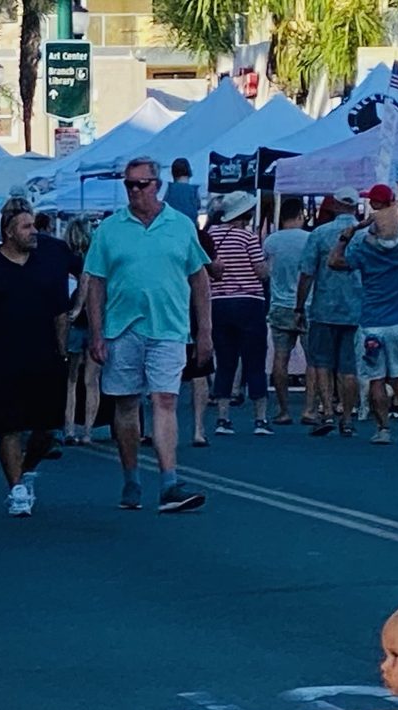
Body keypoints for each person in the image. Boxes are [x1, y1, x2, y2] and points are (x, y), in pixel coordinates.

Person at [84, 155, 212, 514]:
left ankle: (170, 481)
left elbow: (199, 278)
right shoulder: (110, 229)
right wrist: (96, 333)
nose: (135, 191)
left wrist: (205, 331)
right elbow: (96, 282)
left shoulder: (180, 225)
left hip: (170, 327)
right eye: (129, 185)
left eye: (141, 184)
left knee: (165, 399)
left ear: (157, 185)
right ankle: (131, 476)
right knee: (126, 405)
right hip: (122, 327)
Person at [0, 196, 70, 518]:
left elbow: (60, 313)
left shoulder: (46, 266)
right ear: (8, 231)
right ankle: (17, 488)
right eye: (26, 227)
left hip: (45, 361)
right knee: (9, 428)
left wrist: (63, 352)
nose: (34, 232)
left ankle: (27, 469)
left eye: (33, 225)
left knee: (46, 430)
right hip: (2, 363)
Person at [331, 183, 398, 445]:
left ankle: (383, 428)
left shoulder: (365, 250)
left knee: (376, 378)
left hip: (371, 324)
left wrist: (346, 237)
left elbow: (334, 262)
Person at [296, 189, 364, 437]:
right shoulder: (365, 235)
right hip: (356, 308)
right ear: (356, 206)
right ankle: (347, 417)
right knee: (349, 366)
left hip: (324, 307)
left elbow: (307, 273)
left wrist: (299, 306)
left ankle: (326, 412)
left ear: (335, 205)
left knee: (322, 363)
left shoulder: (320, 233)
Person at [204, 190, 271, 436]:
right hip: (249, 302)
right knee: (255, 360)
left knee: (225, 361)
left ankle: (223, 419)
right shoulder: (248, 238)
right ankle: (260, 419)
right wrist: (268, 267)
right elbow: (261, 272)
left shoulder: (211, 235)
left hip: (218, 302)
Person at [263, 197, 312, 425]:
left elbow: (265, 271)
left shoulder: (271, 241)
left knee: (280, 358)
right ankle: (309, 409)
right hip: (308, 305)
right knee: (314, 361)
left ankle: (283, 410)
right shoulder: (310, 239)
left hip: (280, 305)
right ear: (301, 215)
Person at [62, 218, 103, 446]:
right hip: (96, 321)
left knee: (71, 379)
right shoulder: (96, 258)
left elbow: (83, 281)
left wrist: (77, 307)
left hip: (76, 322)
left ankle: (69, 428)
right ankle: (87, 431)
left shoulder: (68, 260)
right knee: (91, 380)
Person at [164, 157, 201, 221]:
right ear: (189, 172)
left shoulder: (169, 189)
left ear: (173, 173)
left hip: (172, 224)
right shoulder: (193, 190)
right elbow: (198, 206)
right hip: (190, 224)